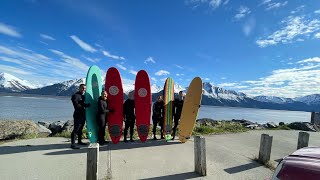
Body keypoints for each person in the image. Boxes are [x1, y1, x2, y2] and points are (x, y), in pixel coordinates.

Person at [70, 84, 90, 149]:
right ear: (79, 88)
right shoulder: (75, 96)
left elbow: (83, 104)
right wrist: (85, 106)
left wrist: (87, 105)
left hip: (83, 115)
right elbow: (76, 106)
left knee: (80, 129)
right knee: (76, 129)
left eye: (84, 88)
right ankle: (72, 144)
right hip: (77, 115)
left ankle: (79, 141)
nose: (83, 89)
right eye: (82, 88)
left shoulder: (83, 96)